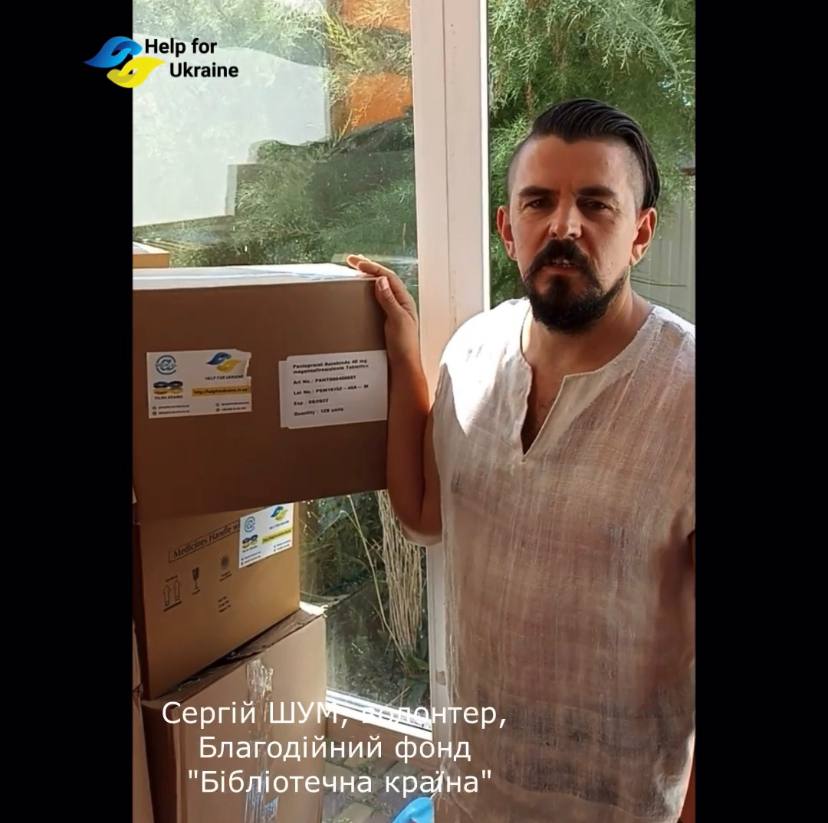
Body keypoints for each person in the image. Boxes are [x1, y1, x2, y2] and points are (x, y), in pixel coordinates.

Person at [346, 97, 695, 823]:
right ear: (508, 229)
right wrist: (405, 355)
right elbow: (424, 513)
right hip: (471, 796)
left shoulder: (685, 392)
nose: (564, 226)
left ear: (640, 233)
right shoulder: (473, 351)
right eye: (539, 202)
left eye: (596, 204)